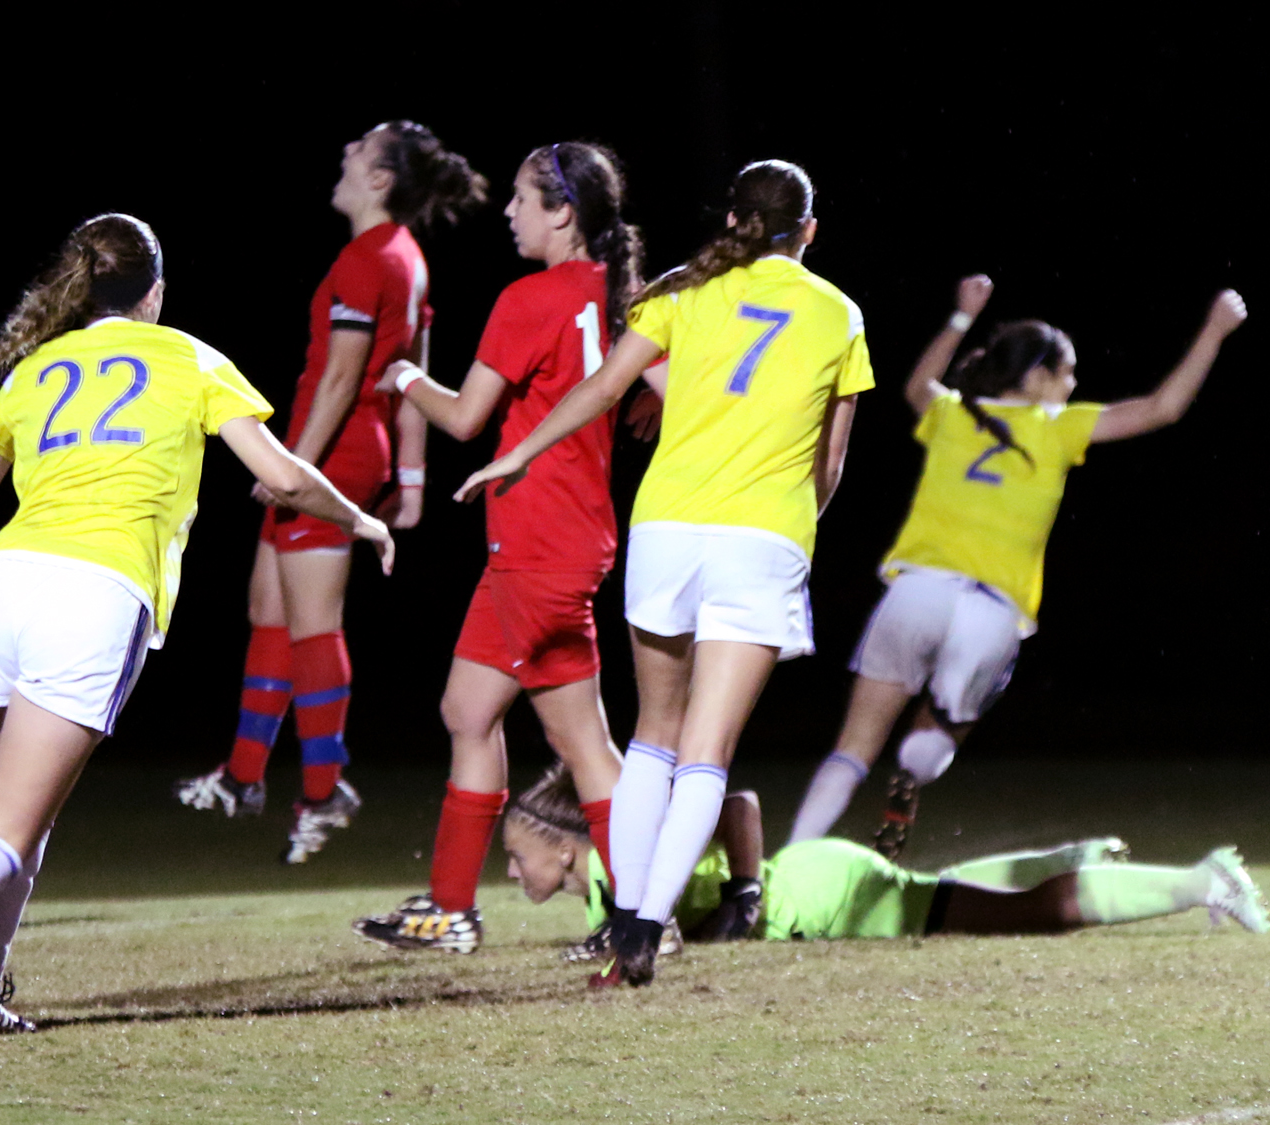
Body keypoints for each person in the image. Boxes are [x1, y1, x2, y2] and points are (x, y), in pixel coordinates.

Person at [0, 214, 393, 1033]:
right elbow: (283, 477)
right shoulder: (190, 357)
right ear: (155, 292)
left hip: (3, 585)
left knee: (21, 818)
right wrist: (363, 521)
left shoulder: (33, 368)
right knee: (3, 829)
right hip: (92, 594)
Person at [457, 159, 872, 986]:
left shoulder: (684, 287)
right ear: (809, 232)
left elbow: (603, 386)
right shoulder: (838, 314)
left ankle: (624, 913)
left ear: (733, 221)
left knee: (653, 735)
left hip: (667, 529)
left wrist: (520, 453)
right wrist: (790, 537)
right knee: (707, 750)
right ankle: (646, 928)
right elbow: (830, 465)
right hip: (759, 538)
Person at [787, 280, 1249, 858]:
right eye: (1067, 372)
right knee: (947, 726)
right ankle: (918, 762)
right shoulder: (1056, 427)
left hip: (917, 594)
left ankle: (786, 869)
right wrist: (1212, 332)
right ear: (1035, 377)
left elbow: (914, 386)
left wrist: (960, 316)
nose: (1073, 384)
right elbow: (1163, 408)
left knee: (851, 749)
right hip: (991, 611)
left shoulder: (955, 415)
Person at [347, 142, 644, 953]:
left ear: (563, 212)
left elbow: (466, 416)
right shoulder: (622, 296)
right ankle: (451, 909)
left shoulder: (533, 296)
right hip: (551, 539)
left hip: (542, 543)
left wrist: (404, 375)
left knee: (583, 743)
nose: (509, 213)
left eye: (521, 199)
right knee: (468, 711)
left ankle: (642, 921)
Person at [174, 122, 486, 865]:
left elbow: (348, 377)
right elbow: (409, 376)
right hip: (348, 453)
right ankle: (245, 775)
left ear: (380, 180)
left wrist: (292, 466)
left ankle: (323, 787)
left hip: (332, 454)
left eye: (357, 151)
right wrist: (409, 479)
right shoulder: (405, 258)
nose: (343, 155)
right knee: (268, 608)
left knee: (313, 621)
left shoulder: (366, 258)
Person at [502, 765, 1270, 951]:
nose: (508, 872)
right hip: (824, 878)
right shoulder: (608, 883)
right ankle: (1074, 853)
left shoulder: (618, 864)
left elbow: (737, 802)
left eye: (514, 855)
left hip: (831, 897)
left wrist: (744, 896)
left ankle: (1205, 878)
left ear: (561, 844)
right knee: (938, 890)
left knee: (1024, 918)